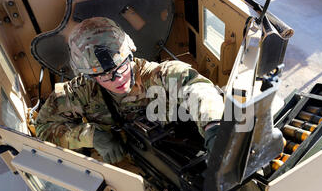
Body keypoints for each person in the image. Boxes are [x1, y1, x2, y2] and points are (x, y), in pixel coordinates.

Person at [35, 17, 224, 164]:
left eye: (121, 67)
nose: (117, 79)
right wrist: (92, 136)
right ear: (90, 77)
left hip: (174, 150)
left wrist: (213, 127)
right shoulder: (81, 91)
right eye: (104, 75)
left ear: (130, 56)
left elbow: (198, 89)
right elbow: (43, 127)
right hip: (122, 162)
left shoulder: (157, 75)